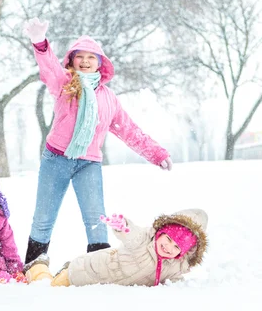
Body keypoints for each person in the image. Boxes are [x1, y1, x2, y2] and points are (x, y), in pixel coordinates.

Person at [22, 18, 173, 263]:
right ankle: (32, 265)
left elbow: (129, 130)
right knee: (43, 217)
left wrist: (157, 153)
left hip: (88, 163)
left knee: (95, 219)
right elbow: (49, 66)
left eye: (91, 57)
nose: (85, 61)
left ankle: (100, 265)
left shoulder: (108, 98)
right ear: (71, 61)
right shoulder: (64, 83)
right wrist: (39, 42)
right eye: (79, 56)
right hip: (56, 158)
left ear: (100, 64)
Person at [24, 208, 208, 287]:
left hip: (104, 283)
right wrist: (123, 226)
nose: (168, 247)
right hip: (83, 271)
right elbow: (131, 234)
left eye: (177, 246)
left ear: (182, 253)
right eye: (168, 239)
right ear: (160, 233)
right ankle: (38, 266)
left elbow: (173, 283)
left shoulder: (176, 266)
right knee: (48, 288)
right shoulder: (143, 240)